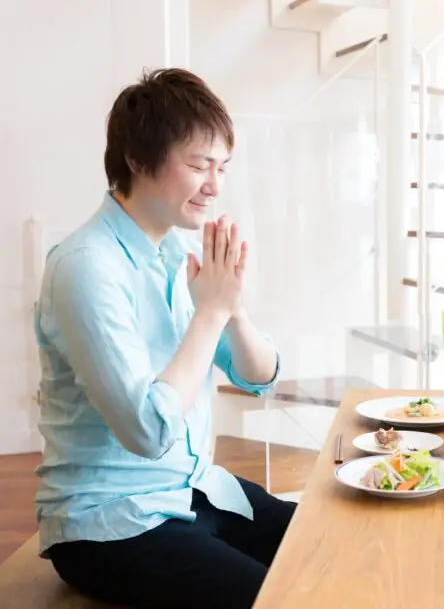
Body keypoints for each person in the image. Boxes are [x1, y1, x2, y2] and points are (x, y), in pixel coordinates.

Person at [33, 68, 291, 608]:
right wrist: (209, 312)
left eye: (222, 167)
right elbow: (148, 432)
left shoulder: (174, 254)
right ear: (136, 159)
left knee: (329, 541)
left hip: (196, 492)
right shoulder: (85, 268)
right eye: (200, 165)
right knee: (281, 598)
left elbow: (259, 377)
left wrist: (233, 309)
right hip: (110, 524)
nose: (215, 185)